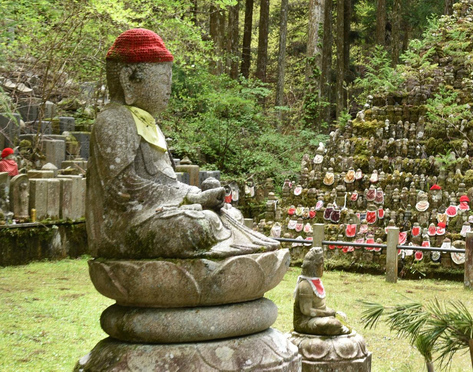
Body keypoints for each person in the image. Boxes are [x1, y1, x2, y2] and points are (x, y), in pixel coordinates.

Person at [86, 28, 278, 259]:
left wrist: (196, 197)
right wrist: (190, 196)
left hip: (158, 212)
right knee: (198, 223)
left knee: (229, 214)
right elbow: (123, 190)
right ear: (128, 78)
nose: (169, 89)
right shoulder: (114, 119)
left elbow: (162, 181)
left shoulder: (147, 123)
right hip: (126, 226)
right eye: (162, 80)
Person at [293, 247, 349, 336]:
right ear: (313, 268)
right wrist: (329, 313)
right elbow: (306, 311)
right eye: (321, 265)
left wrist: (335, 313)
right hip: (305, 322)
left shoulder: (316, 282)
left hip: (317, 318)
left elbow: (321, 307)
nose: (323, 268)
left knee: (339, 320)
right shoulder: (305, 285)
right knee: (334, 324)